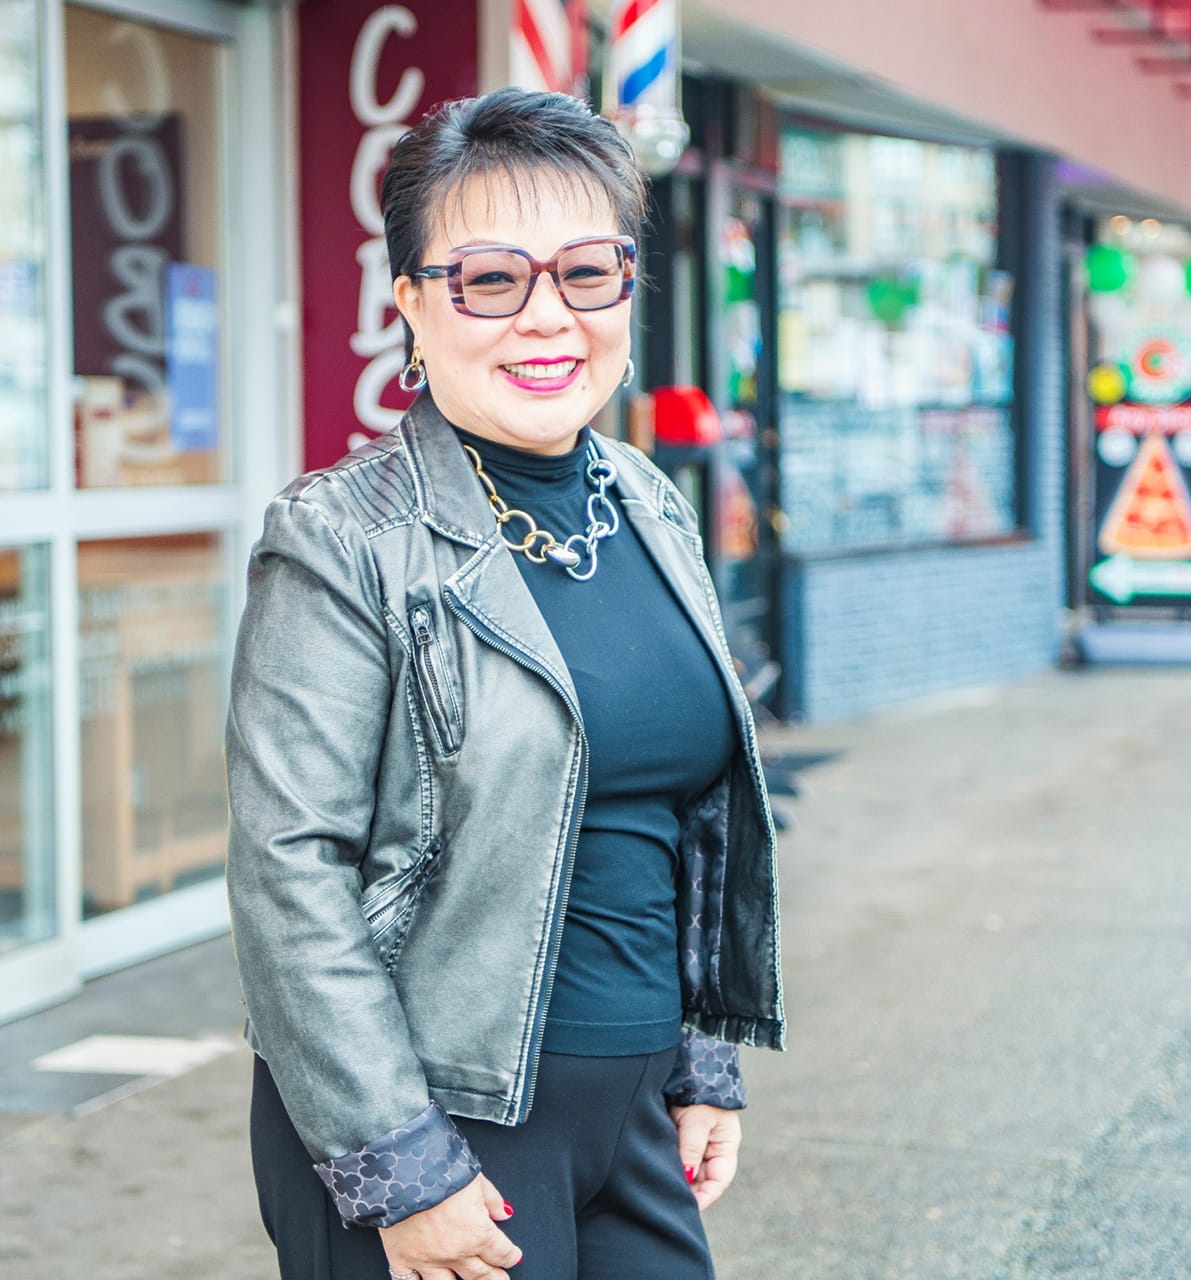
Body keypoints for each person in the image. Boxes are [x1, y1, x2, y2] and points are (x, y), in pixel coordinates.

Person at [225, 87, 785, 1280]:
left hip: (630, 1108)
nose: (548, 317)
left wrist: (699, 1059)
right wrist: (400, 1163)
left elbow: (681, 818)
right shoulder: (340, 537)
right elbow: (290, 871)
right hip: (438, 1114)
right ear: (414, 307)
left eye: (587, 272)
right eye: (490, 278)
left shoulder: (645, 499)